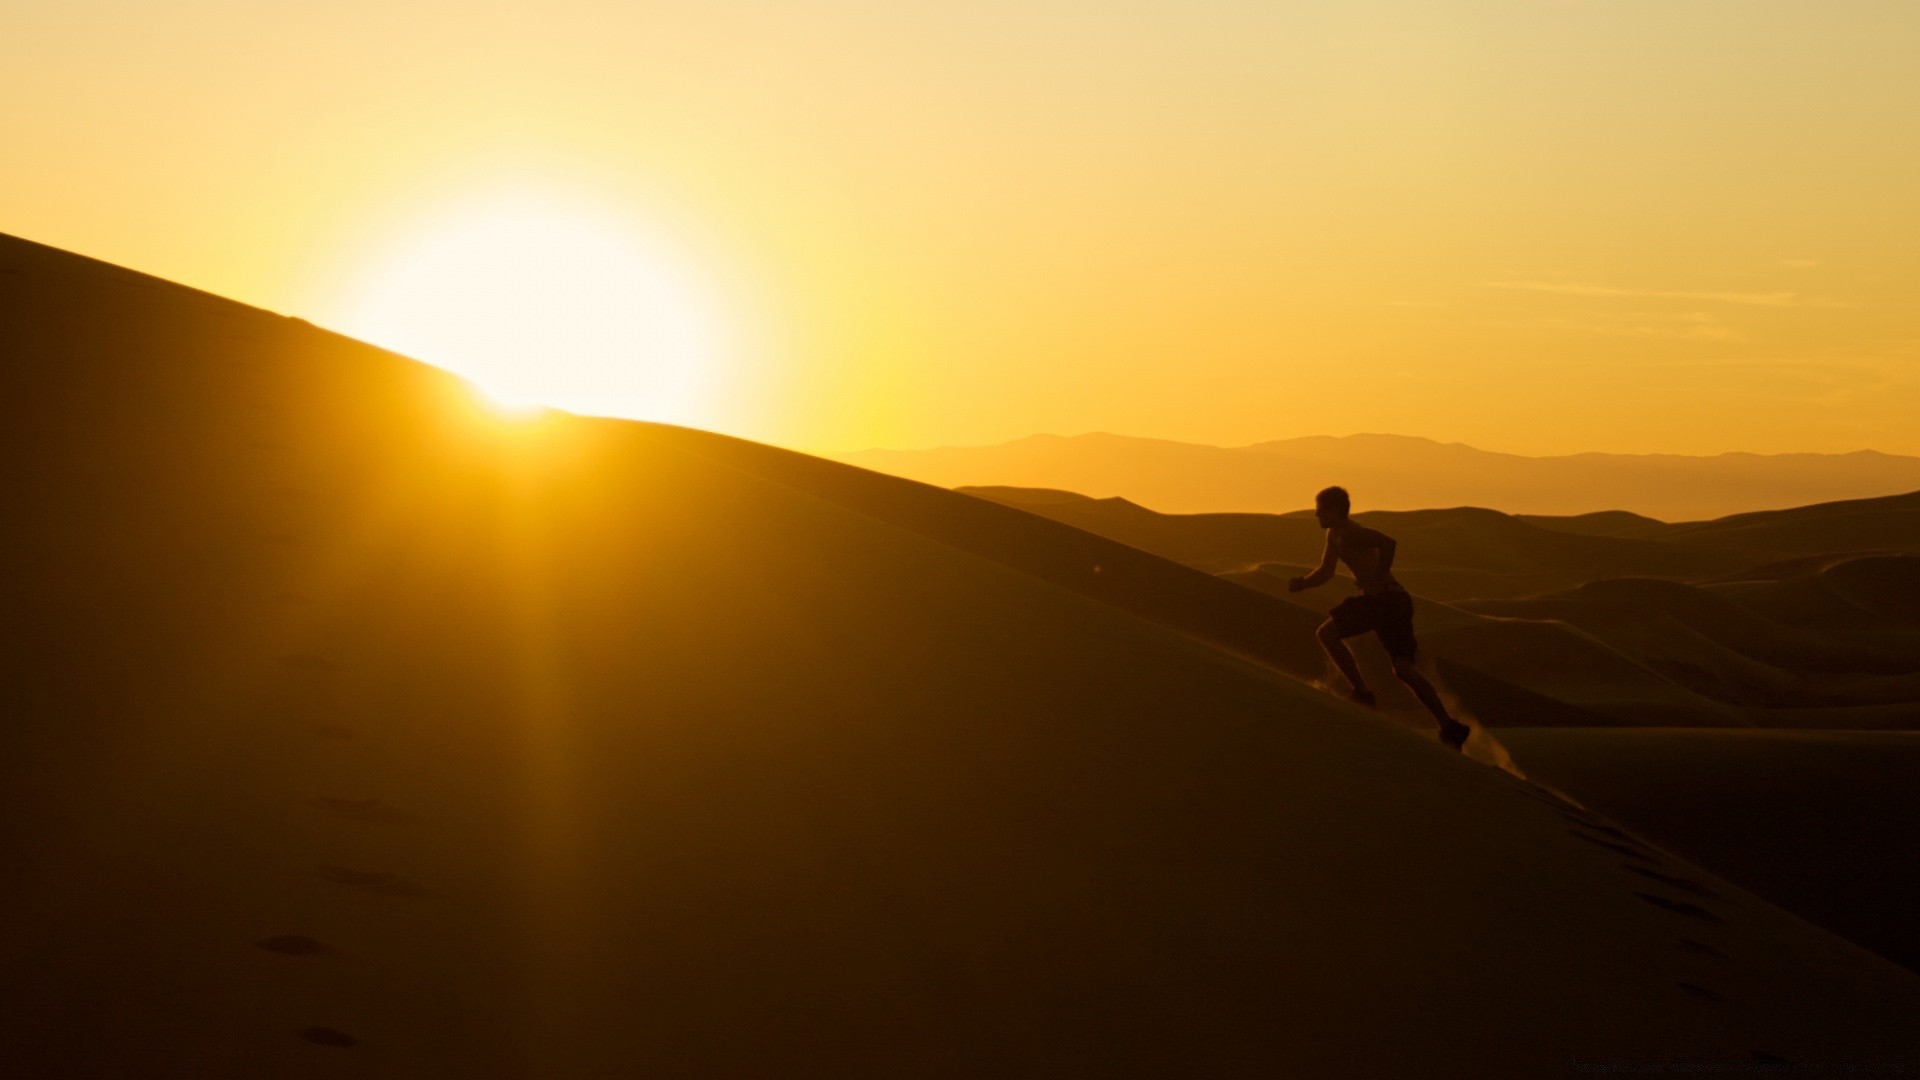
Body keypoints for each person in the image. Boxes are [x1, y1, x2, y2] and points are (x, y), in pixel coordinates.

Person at [1288, 485, 1472, 751]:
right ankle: (1449, 726)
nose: (1316, 515)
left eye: (1321, 511)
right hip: (1386, 601)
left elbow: (1388, 542)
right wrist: (1303, 584)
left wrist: (1377, 578)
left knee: (1328, 634)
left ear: (1335, 510)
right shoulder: (1334, 535)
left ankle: (1362, 694)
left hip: (1385, 600)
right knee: (1404, 670)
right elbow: (1326, 571)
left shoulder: (1351, 533)